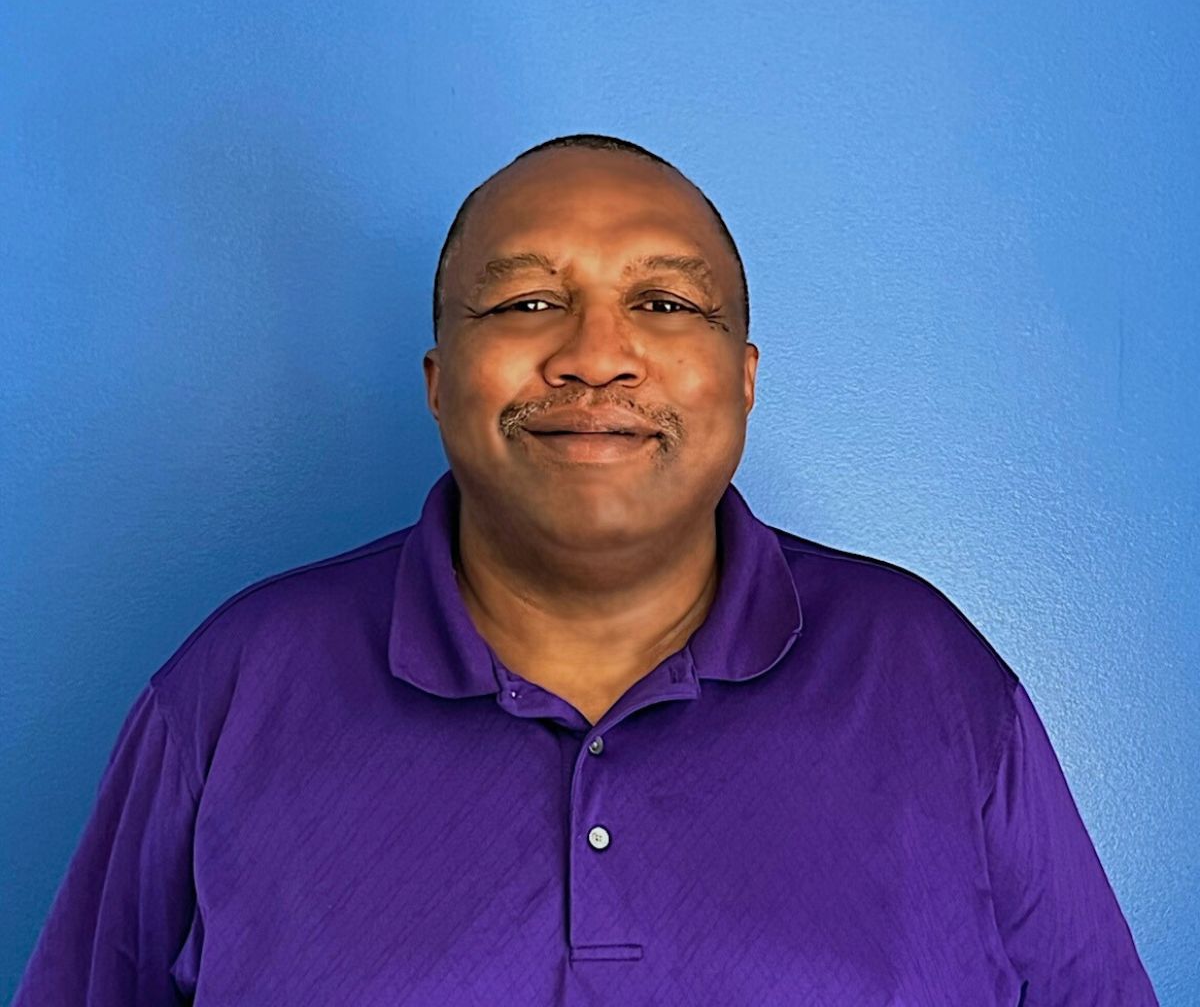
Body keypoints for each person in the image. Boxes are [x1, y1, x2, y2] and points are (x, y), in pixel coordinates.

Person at [12, 134, 1159, 1005]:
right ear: (437, 377)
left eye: (663, 303)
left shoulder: (932, 678)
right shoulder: (233, 686)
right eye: (526, 303)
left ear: (745, 377)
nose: (595, 355)